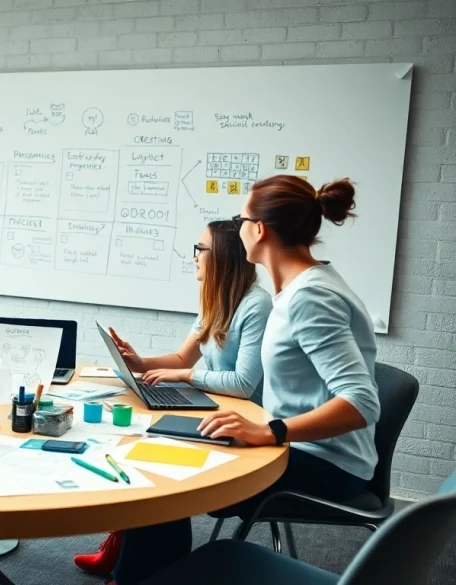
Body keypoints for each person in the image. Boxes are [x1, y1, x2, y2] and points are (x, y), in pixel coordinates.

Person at [107, 175, 381, 585]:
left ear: (260, 229)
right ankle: (145, 575)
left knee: (161, 473)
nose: (237, 227)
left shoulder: (310, 296)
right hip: (299, 447)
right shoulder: (297, 289)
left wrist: (270, 431)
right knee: (161, 450)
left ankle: (142, 577)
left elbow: (361, 402)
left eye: (242, 218)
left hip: (325, 464)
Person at [74, 220, 272, 577]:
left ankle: (132, 572)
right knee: (135, 441)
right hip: (214, 408)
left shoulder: (256, 306)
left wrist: (184, 376)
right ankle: (122, 542)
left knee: (158, 466)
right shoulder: (216, 298)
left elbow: (243, 383)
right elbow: (183, 359)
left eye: (201, 249)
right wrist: (139, 362)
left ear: (223, 256)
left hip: (243, 425)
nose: (194, 256)